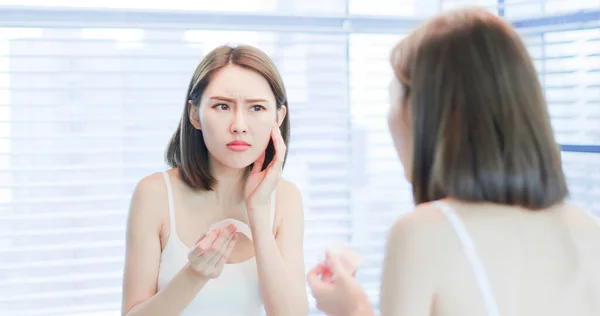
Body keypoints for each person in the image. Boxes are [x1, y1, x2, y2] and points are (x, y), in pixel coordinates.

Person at [307, 7, 600, 316]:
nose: (390, 119)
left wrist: (353, 310)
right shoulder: (588, 229)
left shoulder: (422, 232)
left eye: (395, 97)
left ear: (427, 114)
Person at [121, 44, 309, 316]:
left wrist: (258, 211)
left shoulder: (286, 198)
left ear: (278, 117)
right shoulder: (154, 194)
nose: (239, 125)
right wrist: (194, 274)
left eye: (256, 108)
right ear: (195, 114)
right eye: (222, 106)